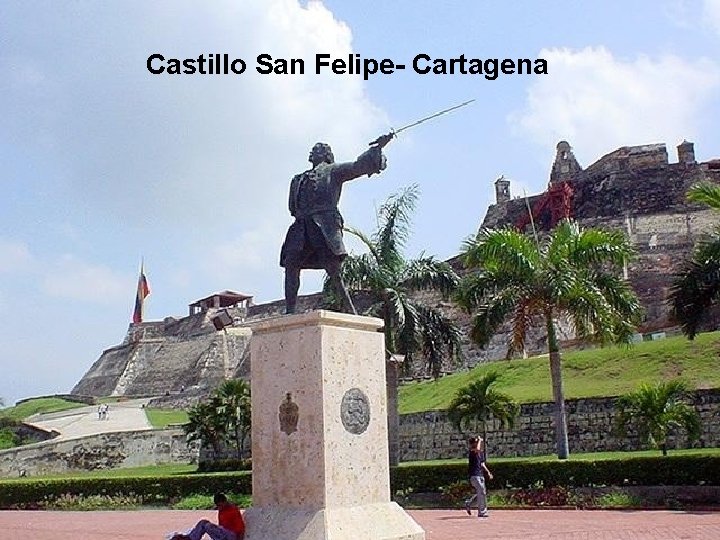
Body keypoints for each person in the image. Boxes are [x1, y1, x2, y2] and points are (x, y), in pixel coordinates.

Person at [280, 138, 390, 315]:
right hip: (301, 226)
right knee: (291, 264)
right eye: (313, 149)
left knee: (333, 271)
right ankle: (290, 310)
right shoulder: (298, 179)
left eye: (317, 149)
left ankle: (351, 310)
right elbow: (292, 207)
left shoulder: (334, 171)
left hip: (324, 225)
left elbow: (357, 167)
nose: (312, 152)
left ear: (326, 155)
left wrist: (377, 148)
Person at [170, 493, 245, 540]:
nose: (219, 507)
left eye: (220, 505)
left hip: (231, 535)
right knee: (203, 522)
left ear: (224, 502)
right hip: (223, 532)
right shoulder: (222, 510)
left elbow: (241, 528)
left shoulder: (233, 510)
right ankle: (191, 538)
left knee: (208, 526)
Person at [464, 435, 493, 518]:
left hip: (480, 475)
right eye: (475, 442)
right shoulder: (472, 451)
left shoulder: (480, 453)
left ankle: (469, 502)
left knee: (482, 492)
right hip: (474, 475)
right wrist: (480, 440)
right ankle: (482, 512)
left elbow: (482, 464)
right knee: (481, 491)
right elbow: (477, 449)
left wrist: (488, 472)